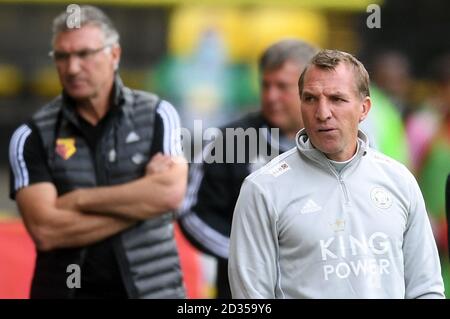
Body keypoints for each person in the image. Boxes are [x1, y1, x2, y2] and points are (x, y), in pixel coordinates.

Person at [228, 49, 445, 299]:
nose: (322, 113)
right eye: (310, 99)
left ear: (364, 109)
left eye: (337, 99)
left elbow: (426, 288)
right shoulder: (263, 188)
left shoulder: (399, 180)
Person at [8, 6, 187, 298]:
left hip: (153, 291)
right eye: (62, 56)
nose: (72, 67)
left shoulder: (157, 114)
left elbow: (169, 194)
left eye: (84, 54)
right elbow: (46, 231)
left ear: (114, 55)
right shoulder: (32, 135)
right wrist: (143, 205)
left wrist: (77, 200)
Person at [178, 39, 318, 298]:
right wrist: (249, 257)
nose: (271, 96)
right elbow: (191, 213)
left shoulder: (335, 144)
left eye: (282, 87)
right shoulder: (228, 141)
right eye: (266, 85)